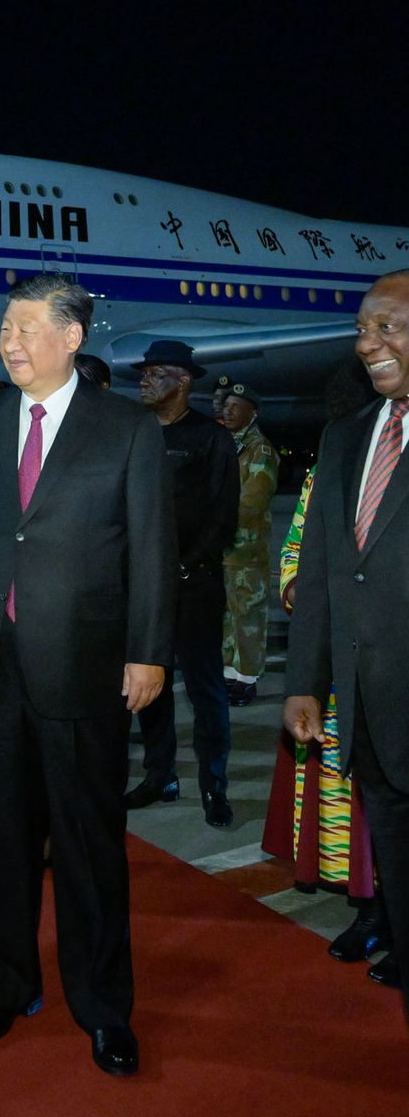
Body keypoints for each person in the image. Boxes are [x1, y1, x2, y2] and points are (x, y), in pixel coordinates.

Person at [0, 274, 175, 1076]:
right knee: (3, 839)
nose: (10, 341)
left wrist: (148, 651)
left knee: (88, 844)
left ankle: (104, 1005)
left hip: (86, 665)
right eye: (5, 327)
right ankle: (7, 983)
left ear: (72, 338)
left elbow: (151, 551)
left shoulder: (127, 428)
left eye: (27, 328)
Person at [285, 269, 409, 1015]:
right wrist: (304, 681)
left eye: (387, 326)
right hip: (368, 709)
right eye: (364, 329)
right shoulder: (345, 435)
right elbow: (328, 572)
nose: (368, 343)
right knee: (395, 855)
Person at [126, 340, 239, 827]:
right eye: (145, 372)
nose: (146, 380)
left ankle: (214, 785)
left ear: (184, 380)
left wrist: (185, 565)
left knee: (205, 688)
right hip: (145, 588)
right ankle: (160, 775)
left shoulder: (211, 438)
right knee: (150, 684)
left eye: (157, 373)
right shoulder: (135, 432)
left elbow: (223, 516)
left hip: (194, 585)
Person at [221, 384, 278, 704]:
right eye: (226, 405)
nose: (228, 411)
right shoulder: (230, 445)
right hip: (226, 549)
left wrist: (216, 522)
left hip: (246, 549)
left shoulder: (260, 449)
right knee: (229, 614)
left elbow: (252, 501)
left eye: (236, 406)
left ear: (252, 412)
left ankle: (248, 678)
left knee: (248, 615)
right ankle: (230, 673)